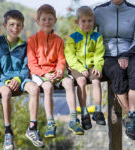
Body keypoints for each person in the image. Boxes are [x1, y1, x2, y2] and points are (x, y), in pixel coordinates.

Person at [27, 4, 84, 139]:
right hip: (40, 74)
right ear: (38, 21)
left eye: (50, 19)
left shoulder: (58, 40)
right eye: (44, 19)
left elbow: (61, 59)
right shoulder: (32, 40)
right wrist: (44, 74)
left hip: (55, 73)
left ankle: (73, 119)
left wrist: (59, 70)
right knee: (47, 87)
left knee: (69, 83)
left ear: (55, 21)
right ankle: (50, 122)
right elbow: (32, 63)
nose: (47, 22)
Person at [0, 10, 44, 149]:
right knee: (6, 93)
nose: (15, 28)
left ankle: (32, 128)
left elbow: (27, 67)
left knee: (35, 89)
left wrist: (18, 79)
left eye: (18, 25)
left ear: (23, 26)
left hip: (20, 78)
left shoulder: (25, 45)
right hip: (2, 79)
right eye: (11, 24)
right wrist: (7, 81)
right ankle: (8, 132)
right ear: (5, 25)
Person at [94, 0, 135, 140]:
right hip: (107, 55)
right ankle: (132, 119)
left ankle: (131, 116)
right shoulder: (98, 10)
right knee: (117, 72)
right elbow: (86, 34)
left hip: (130, 52)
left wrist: (125, 55)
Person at [65, 6, 106, 131]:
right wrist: (80, 68)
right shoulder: (73, 37)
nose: (87, 24)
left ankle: (98, 111)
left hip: (92, 65)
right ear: (77, 22)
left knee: (96, 80)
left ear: (93, 21)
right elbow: (70, 56)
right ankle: (84, 112)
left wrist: (98, 66)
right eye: (83, 21)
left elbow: (99, 54)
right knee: (81, 81)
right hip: (77, 65)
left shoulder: (97, 36)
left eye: (90, 21)